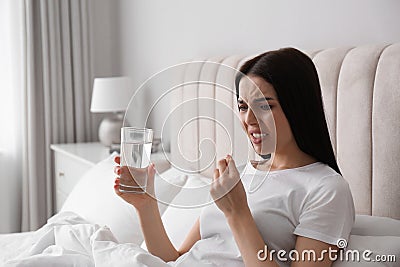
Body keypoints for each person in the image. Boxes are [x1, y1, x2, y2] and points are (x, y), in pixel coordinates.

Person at [113, 48, 355, 267]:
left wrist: (237, 212)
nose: (249, 120)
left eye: (264, 106)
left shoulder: (326, 189)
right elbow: (173, 259)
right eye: (242, 106)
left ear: (298, 107)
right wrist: (145, 205)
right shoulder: (241, 174)